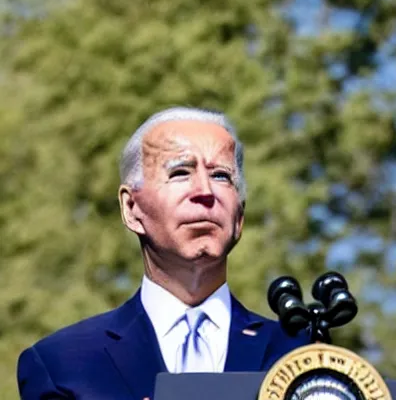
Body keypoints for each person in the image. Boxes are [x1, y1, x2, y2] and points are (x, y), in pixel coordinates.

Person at [17, 107, 308, 400]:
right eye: (180, 172)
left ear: (239, 217)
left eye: (221, 176)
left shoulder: (301, 357)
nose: (205, 191)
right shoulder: (62, 365)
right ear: (132, 209)